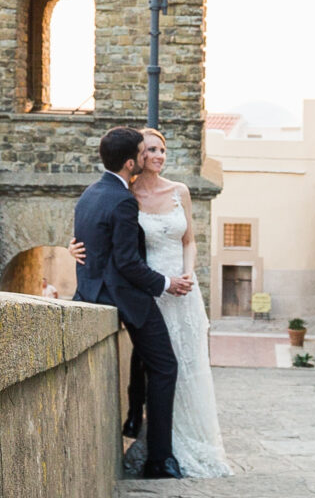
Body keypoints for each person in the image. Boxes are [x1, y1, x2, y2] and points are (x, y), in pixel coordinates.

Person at [71, 126, 231, 477]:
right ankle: (160, 455)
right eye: (148, 151)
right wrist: (164, 283)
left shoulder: (94, 192)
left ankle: (162, 444)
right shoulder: (126, 196)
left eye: (161, 150)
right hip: (142, 291)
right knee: (161, 367)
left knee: (179, 366)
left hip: (169, 286)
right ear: (134, 160)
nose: (155, 156)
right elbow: (123, 257)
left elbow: (186, 239)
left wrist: (184, 276)